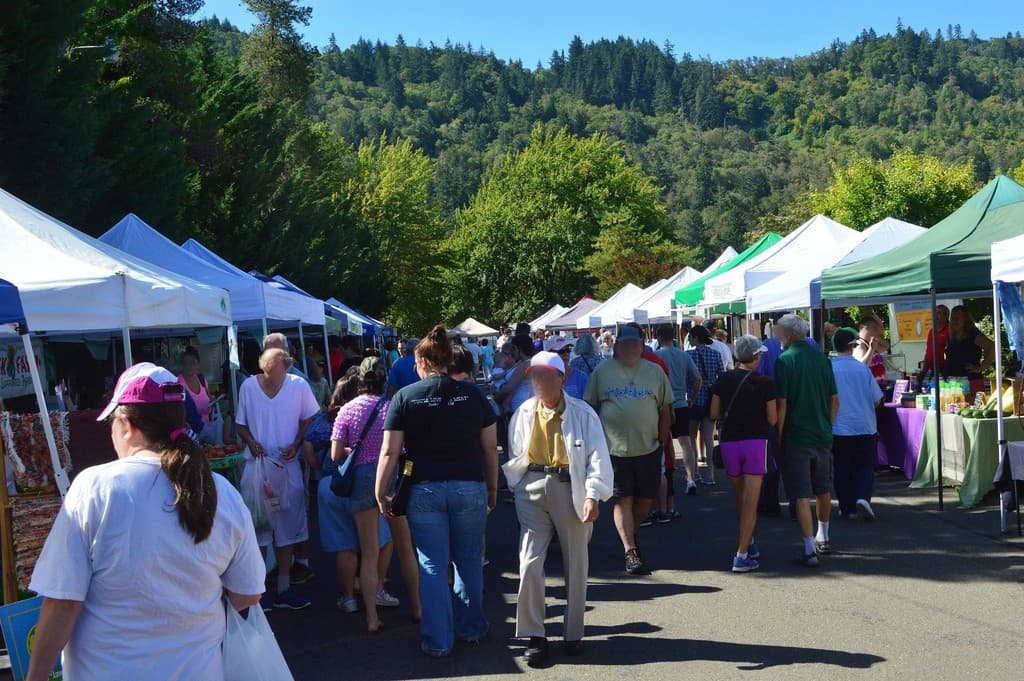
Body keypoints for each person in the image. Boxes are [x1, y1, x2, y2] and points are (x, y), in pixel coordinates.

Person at [27, 363, 264, 681]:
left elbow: (62, 603)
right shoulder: (223, 494)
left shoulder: (95, 488)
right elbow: (247, 594)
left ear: (125, 424)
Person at [376, 326, 499, 658]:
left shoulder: (405, 396)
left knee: (432, 564)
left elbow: (389, 451)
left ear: (424, 360)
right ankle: (471, 628)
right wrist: (492, 487)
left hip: (424, 489)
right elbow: (490, 448)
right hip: (469, 485)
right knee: (469, 561)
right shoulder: (473, 395)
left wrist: (380, 490)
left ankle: (438, 640)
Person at [505, 351, 613, 666]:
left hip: (571, 488)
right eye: (533, 375)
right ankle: (535, 634)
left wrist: (593, 494)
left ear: (561, 378)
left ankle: (573, 633)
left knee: (576, 563)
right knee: (529, 563)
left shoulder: (583, 413)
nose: (536, 381)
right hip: (533, 487)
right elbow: (516, 451)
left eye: (543, 375)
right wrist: (519, 485)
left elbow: (598, 457)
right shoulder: (523, 412)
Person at [235, 348, 321, 609]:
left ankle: (283, 588)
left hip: (286, 467)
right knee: (259, 528)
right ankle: (257, 593)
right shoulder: (249, 386)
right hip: (259, 470)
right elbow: (240, 423)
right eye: (268, 373)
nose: (273, 379)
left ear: (287, 367)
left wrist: (296, 444)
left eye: (278, 374)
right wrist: (250, 441)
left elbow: (310, 418)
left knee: (286, 525)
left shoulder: (298, 385)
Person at [584, 325, 672, 575]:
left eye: (635, 344)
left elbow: (665, 408)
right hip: (614, 450)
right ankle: (630, 549)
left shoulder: (654, 372)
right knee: (623, 499)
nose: (631, 348)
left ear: (642, 346)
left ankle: (631, 532)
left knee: (645, 499)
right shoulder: (602, 372)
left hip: (649, 447)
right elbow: (589, 408)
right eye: (626, 344)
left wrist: (663, 438)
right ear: (616, 346)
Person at [307, 373, 396, 617]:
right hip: (365, 484)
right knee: (382, 542)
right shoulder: (376, 411)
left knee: (344, 546)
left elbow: (309, 445)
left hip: (332, 484)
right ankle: (376, 589)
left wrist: (317, 463)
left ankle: (348, 598)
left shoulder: (326, 419)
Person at [330, 358, 399, 633]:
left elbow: (335, 455)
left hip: (359, 479)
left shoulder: (346, 409)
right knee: (399, 543)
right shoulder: (390, 408)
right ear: (384, 381)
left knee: (369, 552)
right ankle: (415, 603)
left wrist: (355, 451)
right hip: (390, 478)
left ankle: (371, 617)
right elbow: (399, 446)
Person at [774, 314, 840, 568]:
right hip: (822, 433)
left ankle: (809, 548)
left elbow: (782, 405)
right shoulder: (822, 359)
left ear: (789, 334)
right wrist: (827, 425)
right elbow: (835, 400)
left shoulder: (785, 361)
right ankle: (823, 535)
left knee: (801, 494)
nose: (778, 336)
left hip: (796, 435)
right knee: (823, 489)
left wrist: (778, 437)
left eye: (779, 331)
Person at [710, 336, 777, 573]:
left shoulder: (723, 379)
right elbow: (772, 419)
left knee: (739, 497)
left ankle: (747, 541)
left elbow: (714, 413)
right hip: (755, 442)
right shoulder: (765, 382)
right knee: (751, 501)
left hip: (729, 442)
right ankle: (741, 553)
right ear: (756, 357)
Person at [831, 328, 884, 522]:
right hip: (865, 425)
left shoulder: (830, 369)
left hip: (838, 426)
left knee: (842, 468)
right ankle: (862, 498)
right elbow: (877, 399)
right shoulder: (863, 369)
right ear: (853, 345)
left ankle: (846, 508)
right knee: (863, 465)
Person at [655, 325, 702, 497]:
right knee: (686, 442)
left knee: (663, 441)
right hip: (681, 402)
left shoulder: (656, 356)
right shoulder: (683, 355)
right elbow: (698, 378)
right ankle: (691, 479)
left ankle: (665, 476)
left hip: (662, 405)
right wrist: (693, 398)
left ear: (658, 336)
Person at [687, 325, 725, 484]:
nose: (688, 339)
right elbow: (722, 377)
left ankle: (694, 473)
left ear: (696, 338)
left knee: (691, 438)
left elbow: (686, 378)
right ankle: (711, 475)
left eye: (690, 336)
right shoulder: (716, 354)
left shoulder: (688, 355)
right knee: (709, 439)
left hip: (694, 400)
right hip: (711, 400)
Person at [944, 305, 996, 395]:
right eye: (952, 318)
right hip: (953, 383)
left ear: (965, 319)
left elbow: (991, 346)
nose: (954, 321)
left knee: (974, 408)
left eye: (957, 318)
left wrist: (981, 368)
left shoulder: (973, 334)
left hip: (971, 382)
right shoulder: (952, 335)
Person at [177, 346, 212, 427]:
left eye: (193, 363)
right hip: (189, 433)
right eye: (186, 363)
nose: (189, 366)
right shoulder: (177, 383)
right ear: (182, 365)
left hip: (206, 430)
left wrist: (211, 403)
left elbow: (210, 399)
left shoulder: (202, 379)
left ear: (198, 365)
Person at [853, 317, 890, 385]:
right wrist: (871, 349)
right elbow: (861, 365)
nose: (876, 332)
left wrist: (878, 337)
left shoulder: (870, 343)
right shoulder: (860, 344)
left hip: (877, 386)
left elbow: (886, 346)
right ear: (861, 328)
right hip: (869, 387)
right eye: (874, 328)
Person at [919, 304, 950, 377]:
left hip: (946, 371)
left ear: (946, 316)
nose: (935, 316)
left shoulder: (950, 330)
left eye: (938, 313)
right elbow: (928, 352)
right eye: (934, 313)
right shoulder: (931, 331)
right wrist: (924, 371)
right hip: (933, 371)